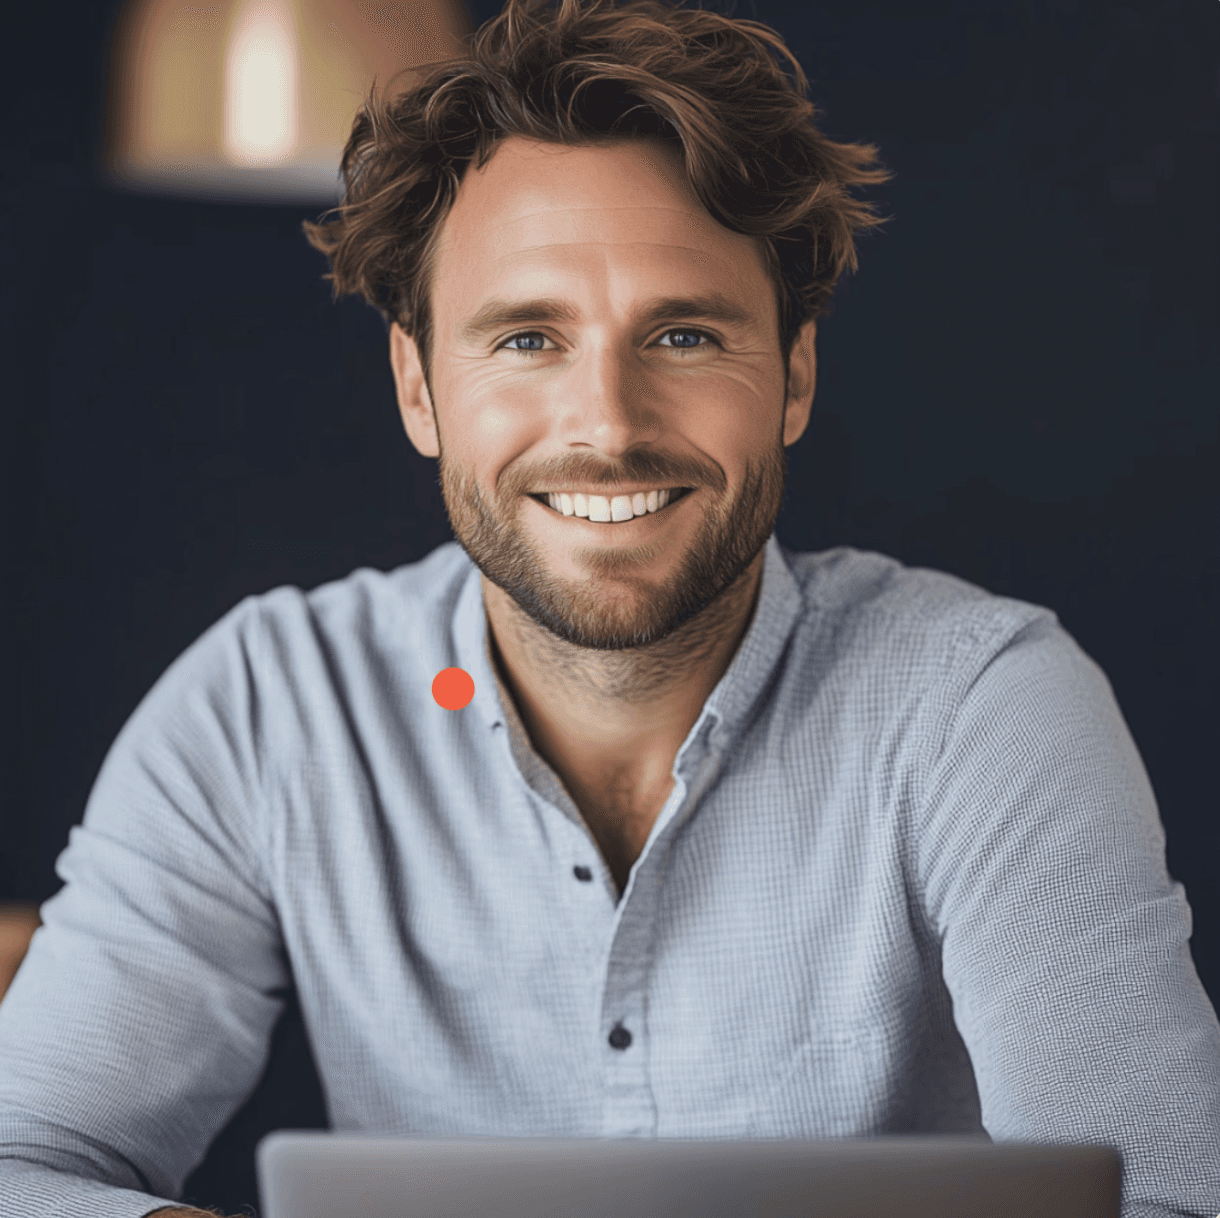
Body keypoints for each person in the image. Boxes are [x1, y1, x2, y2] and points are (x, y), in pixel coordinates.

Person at [2, 0, 1218, 1215]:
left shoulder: (977, 707)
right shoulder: (269, 708)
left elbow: (1168, 1197)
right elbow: (21, 1162)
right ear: (417, 387)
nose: (608, 427)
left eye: (683, 334)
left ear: (791, 375)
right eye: (527, 338)